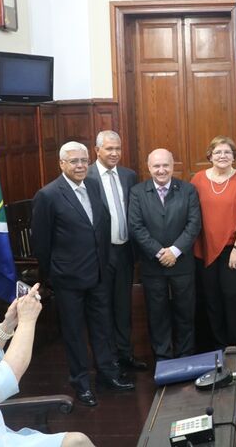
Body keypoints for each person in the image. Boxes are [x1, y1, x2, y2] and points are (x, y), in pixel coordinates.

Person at [31, 141, 134, 407]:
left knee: (103, 328)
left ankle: (108, 375)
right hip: (68, 280)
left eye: (83, 160)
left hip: (98, 273)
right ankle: (81, 383)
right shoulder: (48, 195)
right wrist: (53, 275)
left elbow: (102, 225)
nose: (79, 166)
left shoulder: (93, 185)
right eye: (73, 161)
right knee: (75, 333)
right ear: (62, 164)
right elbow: (41, 243)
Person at [0, 283, 94, 446]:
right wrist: (27, 321)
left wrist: (8, 324)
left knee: (77, 441)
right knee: (77, 442)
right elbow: (1, 382)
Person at [129, 149, 201, 361]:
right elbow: (136, 226)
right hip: (153, 264)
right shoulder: (137, 192)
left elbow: (194, 224)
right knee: (157, 314)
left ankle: (186, 356)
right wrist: (160, 252)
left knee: (185, 312)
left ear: (172, 166)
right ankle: (163, 359)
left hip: (182, 263)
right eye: (156, 166)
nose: (161, 170)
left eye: (165, 165)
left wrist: (175, 251)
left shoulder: (188, 190)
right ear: (148, 167)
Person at [192, 136, 236, 352]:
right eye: (218, 152)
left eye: (227, 152)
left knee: (233, 296)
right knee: (211, 297)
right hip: (205, 247)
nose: (222, 156)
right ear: (210, 156)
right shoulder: (198, 179)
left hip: (233, 248)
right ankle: (218, 345)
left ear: (234, 157)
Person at [86, 130, 146, 371]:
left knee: (123, 307)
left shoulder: (129, 175)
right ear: (97, 150)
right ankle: (107, 361)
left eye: (117, 149)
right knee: (102, 309)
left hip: (124, 252)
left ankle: (125, 355)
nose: (114, 153)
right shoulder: (86, 176)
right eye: (109, 149)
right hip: (99, 254)